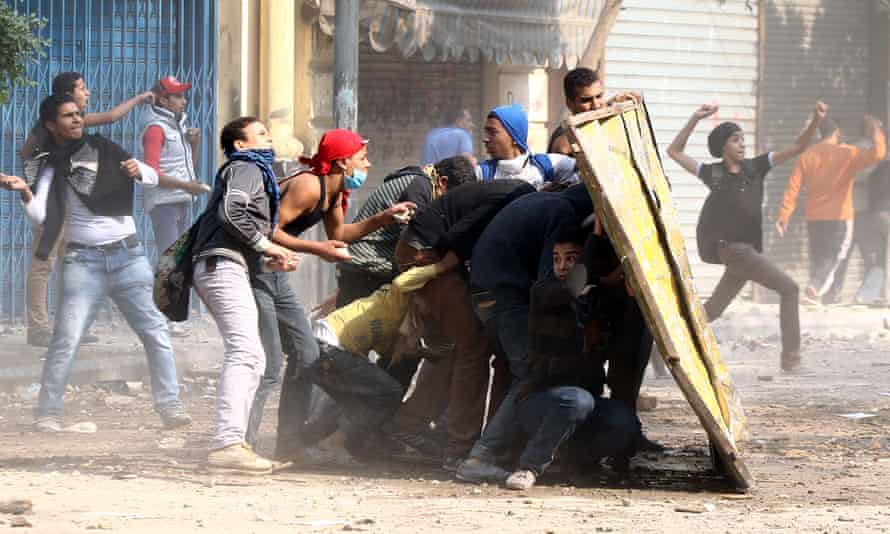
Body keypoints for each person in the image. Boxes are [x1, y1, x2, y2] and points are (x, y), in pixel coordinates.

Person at [0, 93, 190, 432]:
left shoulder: (104, 147)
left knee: (156, 332)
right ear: (50, 124)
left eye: (79, 114)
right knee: (66, 338)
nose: (76, 119)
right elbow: (40, 215)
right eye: (68, 115)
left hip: (129, 258)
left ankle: (170, 405)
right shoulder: (48, 163)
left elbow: (150, 176)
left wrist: (139, 168)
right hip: (83, 263)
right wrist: (25, 193)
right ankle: (48, 412)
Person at [246, 129, 413, 461]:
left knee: (305, 353)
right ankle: (242, 443)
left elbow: (339, 233)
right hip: (254, 268)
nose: (369, 163)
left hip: (274, 271)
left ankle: (289, 442)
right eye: (362, 158)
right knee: (267, 361)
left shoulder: (333, 192)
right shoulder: (310, 185)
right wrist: (316, 249)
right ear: (342, 162)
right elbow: (267, 229)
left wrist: (382, 218)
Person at [668, 101, 827, 372]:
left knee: (712, 311)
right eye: (735, 140)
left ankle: (665, 348)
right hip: (734, 250)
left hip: (745, 252)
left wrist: (815, 121)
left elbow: (798, 148)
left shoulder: (756, 167)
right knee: (790, 289)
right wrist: (695, 117)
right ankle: (791, 360)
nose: (742, 144)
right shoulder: (713, 173)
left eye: (743, 139)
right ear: (722, 147)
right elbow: (674, 151)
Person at [393, 179, 537, 469]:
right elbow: (459, 235)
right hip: (425, 253)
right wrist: (444, 266)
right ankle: (460, 448)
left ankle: (413, 425)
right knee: (474, 347)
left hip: (428, 250)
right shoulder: (516, 195)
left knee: (459, 348)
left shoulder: (520, 195)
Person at [455, 185, 594, 484]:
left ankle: (500, 452)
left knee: (519, 372)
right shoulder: (562, 212)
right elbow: (554, 283)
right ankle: (481, 457)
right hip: (505, 297)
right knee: (530, 371)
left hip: (488, 295)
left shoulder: (544, 201)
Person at [190, 116, 298, 472]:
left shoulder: (252, 171)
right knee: (248, 354)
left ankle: (233, 442)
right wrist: (267, 245)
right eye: (262, 134)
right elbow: (232, 212)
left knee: (253, 356)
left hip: (225, 265)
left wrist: (267, 259)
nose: (270, 140)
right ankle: (228, 443)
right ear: (241, 144)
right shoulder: (246, 167)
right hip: (221, 266)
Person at [503, 226, 639, 490]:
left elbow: (625, 344)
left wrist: (628, 298)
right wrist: (596, 237)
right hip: (540, 403)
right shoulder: (544, 291)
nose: (562, 265)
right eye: (556, 258)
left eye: (571, 258)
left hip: (583, 407)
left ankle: (574, 460)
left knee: (625, 423)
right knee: (576, 399)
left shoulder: (596, 298)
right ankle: (529, 467)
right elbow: (572, 288)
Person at [22, 72, 153, 347]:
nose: (87, 93)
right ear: (68, 94)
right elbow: (26, 153)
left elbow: (110, 118)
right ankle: (38, 328)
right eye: (82, 88)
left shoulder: (75, 122)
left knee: (71, 265)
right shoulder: (50, 126)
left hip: (77, 204)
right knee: (43, 264)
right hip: (53, 204)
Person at [776, 116, 887, 305]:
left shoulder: (807, 155)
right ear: (837, 132)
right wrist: (877, 129)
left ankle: (818, 294)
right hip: (841, 216)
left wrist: (784, 215)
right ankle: (815, 288)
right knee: (837, 255)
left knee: (821, 256)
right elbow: (878, 153)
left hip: (814, 217)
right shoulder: (848, 153)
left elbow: (792, 188)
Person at [139, 76, 211, 255]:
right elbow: (151, 173)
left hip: (180, 202)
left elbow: (188, 168)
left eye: (183, 96)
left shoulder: (177, 127)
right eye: (178, 96)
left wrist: (195, 144)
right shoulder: (156, 129)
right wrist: (187, 186)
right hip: (164, 205)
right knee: (170, 261)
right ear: (163, 100)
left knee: (181, 260)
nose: (184, 101)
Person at [477, 104, 577, 190]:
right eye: (486, 132)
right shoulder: (481, 174)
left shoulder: (547, 165)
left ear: (515, 135)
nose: (485, 139)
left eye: (492, 132)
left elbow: (585, 171)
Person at [853, 159, 890, 304]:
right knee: (884, 258)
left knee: (880, 259)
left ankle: (868, 295)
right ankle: (884, 296)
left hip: (874, 215)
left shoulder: (878, 167)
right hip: (886, 213)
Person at [547, 67, 607, 155]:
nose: (596, 105)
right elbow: (561, 148)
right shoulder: (563, 134)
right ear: (570, 103)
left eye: (599, 96)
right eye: (586, 100)